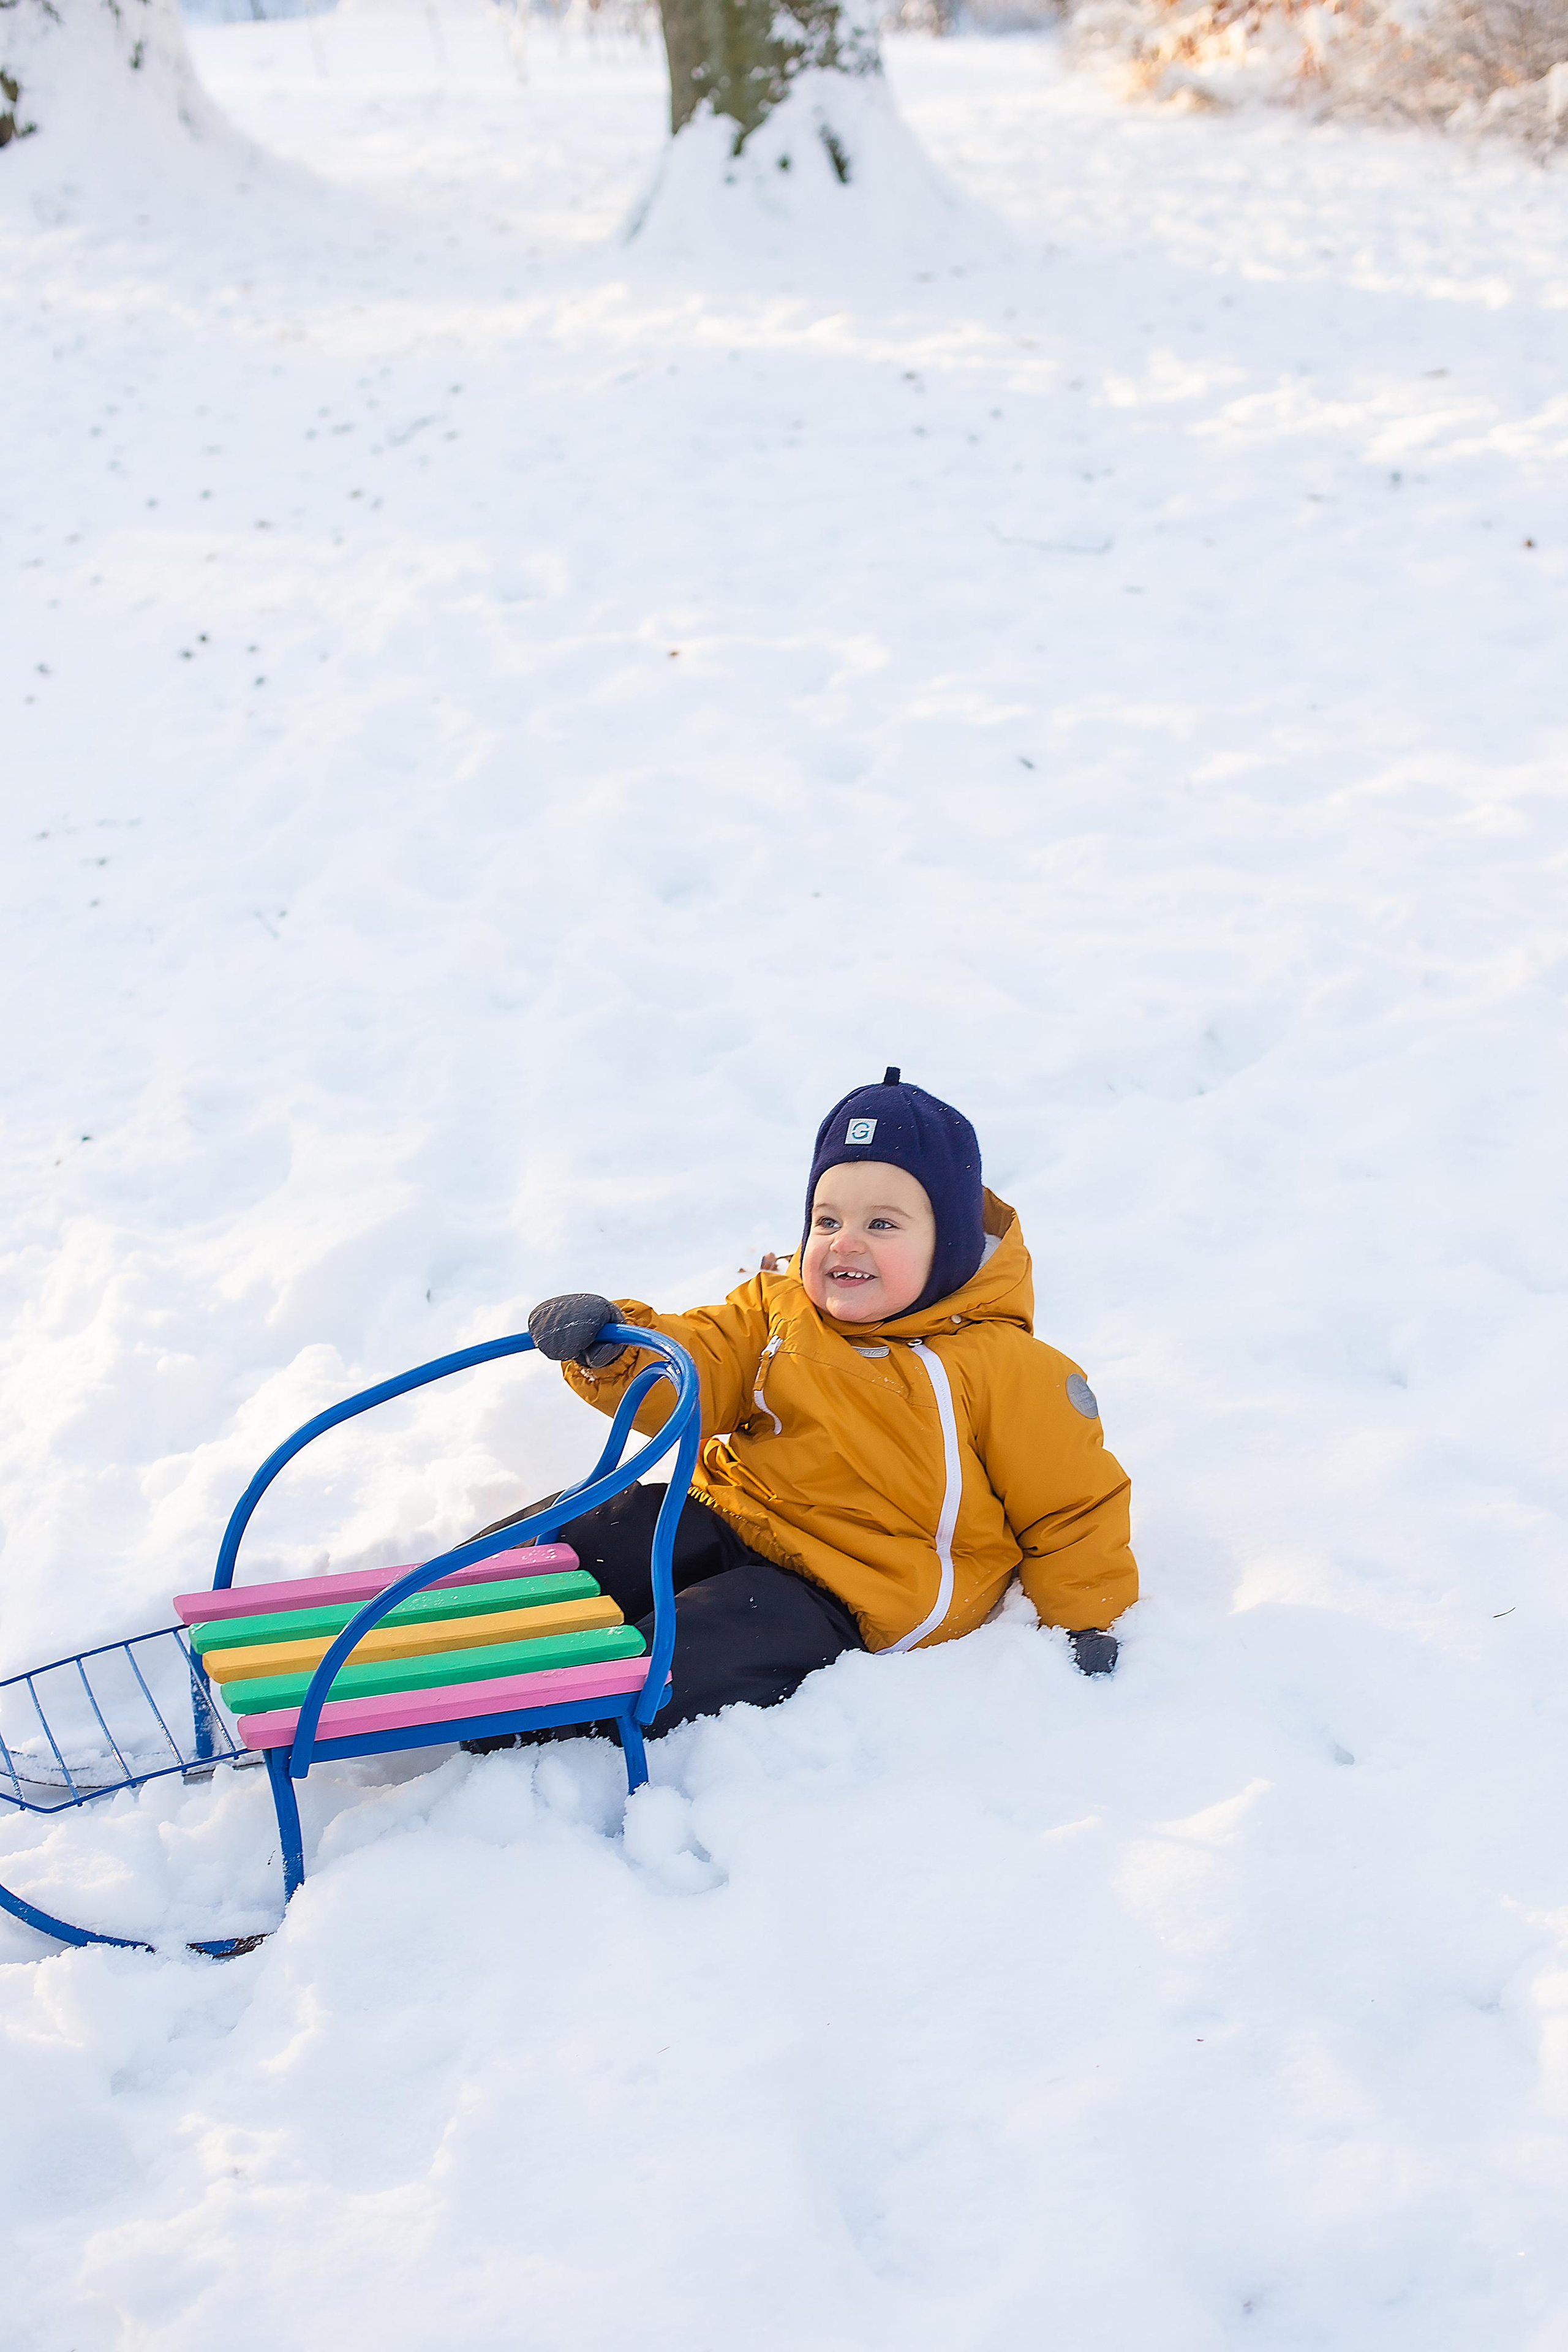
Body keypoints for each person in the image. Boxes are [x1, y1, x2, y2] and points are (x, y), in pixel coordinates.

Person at [479, 1069, 1137, 1738]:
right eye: (828, 1220)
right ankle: (450, 1601)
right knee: (606, 1526)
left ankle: (541, 1712)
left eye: (882, 1223)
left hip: (854, 1585)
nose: (845, 1242)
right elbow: (699, 1361)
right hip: (731, 1514)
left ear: (950, 1243)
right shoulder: (776, 1310)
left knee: (709, 1634)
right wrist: (615, 1351)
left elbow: (1071, 1504)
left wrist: (1087, 1617)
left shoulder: (1008, 1367)